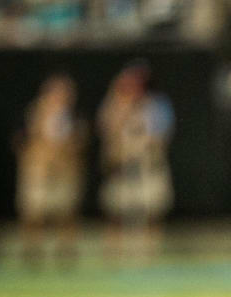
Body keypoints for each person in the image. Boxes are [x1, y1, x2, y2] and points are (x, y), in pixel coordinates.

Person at [97, 62, 174, 263]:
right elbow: (107, 131)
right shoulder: (114, 104)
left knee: (152, 211)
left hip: (147, 164)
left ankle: (150, 255)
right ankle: (113, 256)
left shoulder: (156, 104)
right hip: (122, 165)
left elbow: (160, 136)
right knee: (116, 212)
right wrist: (123, 107)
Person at [16, 74, 87, 265]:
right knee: (34, 213)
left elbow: (79, 142)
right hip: (40, 170)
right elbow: (24, 142)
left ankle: (66, 255)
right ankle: (32, 254)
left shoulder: (73, 115)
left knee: (66, 213)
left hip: (65, 170)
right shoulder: (35, 112)